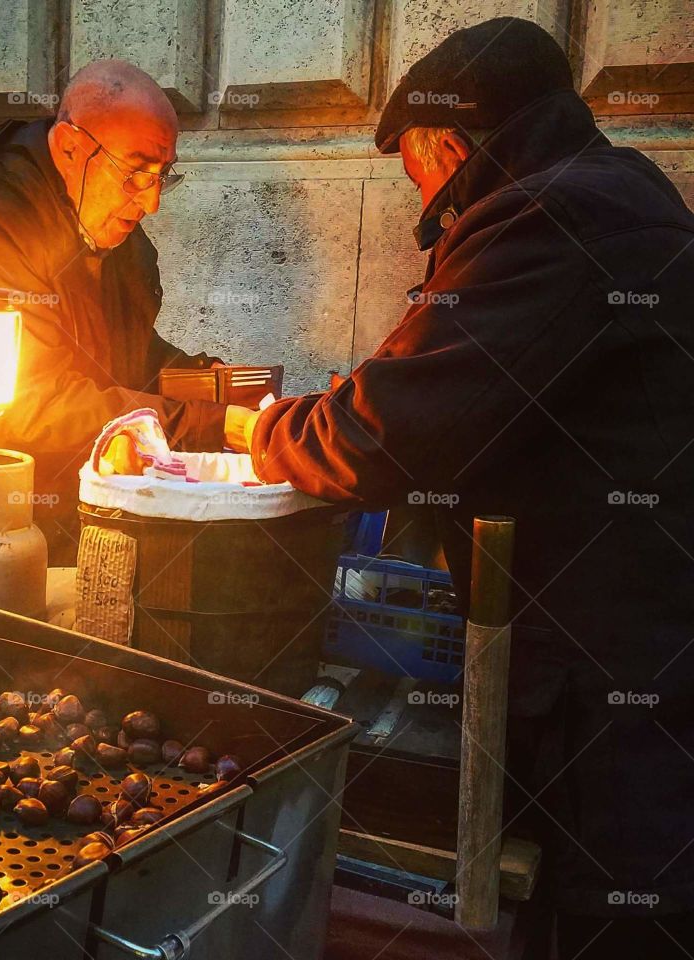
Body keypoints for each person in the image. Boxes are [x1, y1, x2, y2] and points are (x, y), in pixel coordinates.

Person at [239, 17, 694, 958]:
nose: (425, 203)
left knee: (616, 912)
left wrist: (262, 429)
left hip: (621, 672)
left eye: (415, 171)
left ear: (445, 143)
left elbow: (382, 438)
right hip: (633, 641)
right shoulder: (614, 189)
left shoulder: (553, 216)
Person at [0, 59, 249, 568]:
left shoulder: (115, 232)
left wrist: (207, 384)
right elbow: (31, 406)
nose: (152, 202)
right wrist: (215, 426)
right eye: (136, 173)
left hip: (66, 517)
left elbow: (126, 353)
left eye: (163, 174)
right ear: (70, 148)